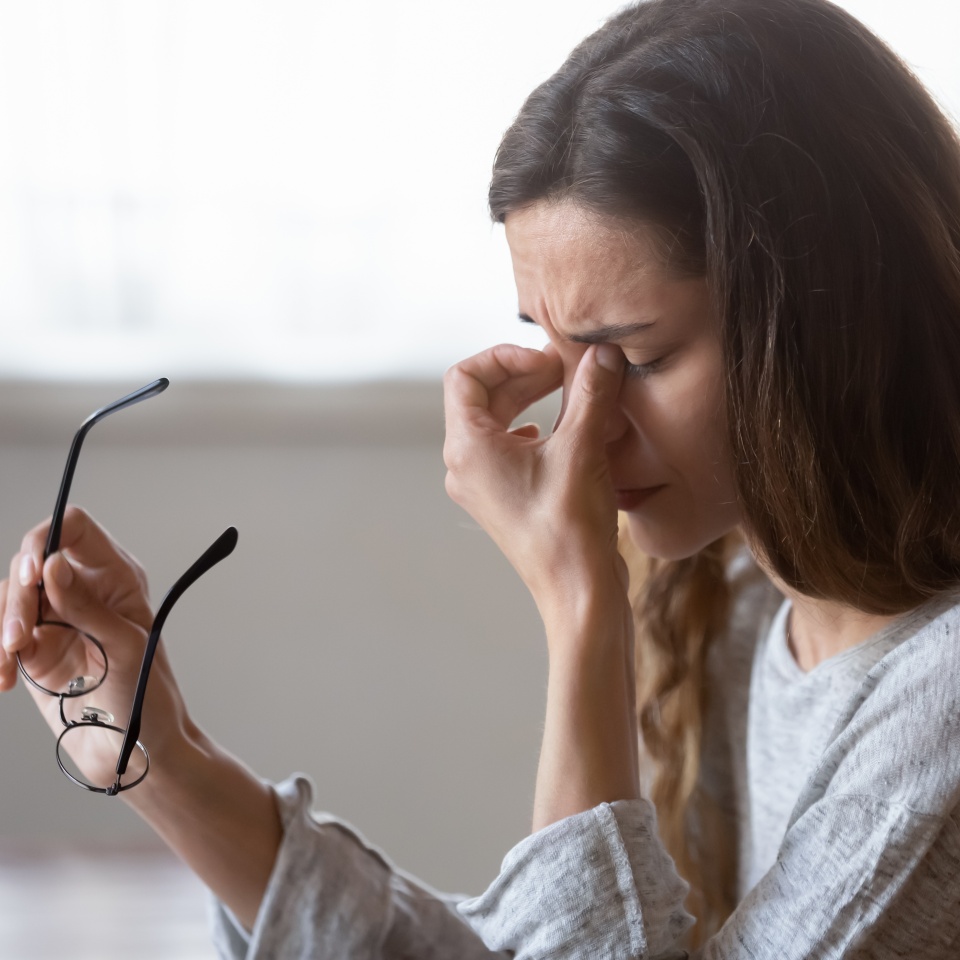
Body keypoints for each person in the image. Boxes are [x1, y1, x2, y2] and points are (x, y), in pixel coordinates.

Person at [3, 0, 960, 955]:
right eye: (554, 346)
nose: (578, 426)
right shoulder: (748, 595)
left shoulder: (939, 706)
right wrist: (161, 757)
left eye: (639, 356)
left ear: (831, 320)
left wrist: (582, 604)